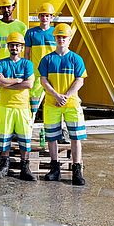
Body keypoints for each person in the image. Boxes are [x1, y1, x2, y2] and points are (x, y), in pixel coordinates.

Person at [39, 23, 88, 185]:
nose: (61, 39)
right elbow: (43, 80)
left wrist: (66, 96)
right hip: (52, 103)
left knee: (75, 137)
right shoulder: (47, 59)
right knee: (52, 137)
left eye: (64, 37)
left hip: (72, 103)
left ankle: (77, 169)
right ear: (55, 39)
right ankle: (54, 169)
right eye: (58, 37)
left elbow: (79, 80)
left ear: (69, 39)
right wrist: (56, 95)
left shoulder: (76, 59)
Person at [0, 32, 36, 181]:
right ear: (8, 46)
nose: (14, 48)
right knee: (5, 138)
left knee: (25, 138)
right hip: (5, 106)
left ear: (22, 47)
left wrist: (7, 82)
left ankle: (25, 167)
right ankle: (4, 165)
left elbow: (29, 84)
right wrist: (17, 81)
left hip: (22, 106)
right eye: (12, 45)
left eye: (17, 45)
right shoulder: (2, 63)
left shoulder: (27, 64)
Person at [25, 2, 68, 143]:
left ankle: (60, 132)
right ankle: (27, 132)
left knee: (56, 103)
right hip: (37, 74)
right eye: (42, 16)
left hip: (53, 74)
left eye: (47, 16)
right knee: (32, 105)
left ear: (51, 17)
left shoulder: (56, 33)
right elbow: (27, 53)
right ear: (39, 17)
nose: (44, 18)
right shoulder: (31, 33)